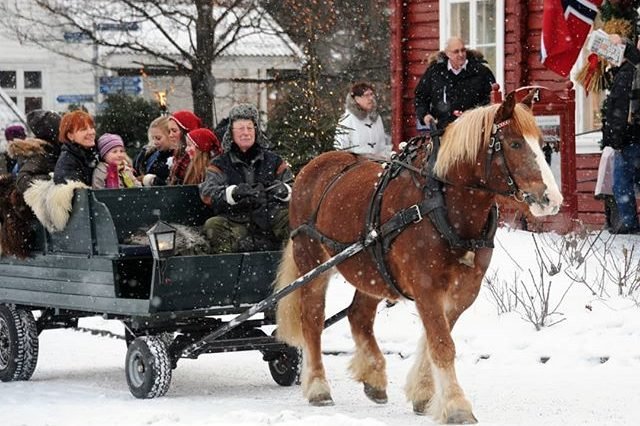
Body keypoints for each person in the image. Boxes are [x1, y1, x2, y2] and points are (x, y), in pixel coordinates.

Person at [199, 103, 292, 253]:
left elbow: (296, 188)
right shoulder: (219, 163)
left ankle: (292, 265)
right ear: (231, 132)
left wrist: (284, 190)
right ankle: (230, 268)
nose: (246, 133)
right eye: (240, 128)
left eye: (250, 128)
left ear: (256, 131)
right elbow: (207, 193)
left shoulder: (274, 160)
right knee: (213, 226)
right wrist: (233, 193)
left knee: (294, 221)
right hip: (235, 220)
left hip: (271, 217)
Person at [601, 34, 640, 234]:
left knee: (622, 182)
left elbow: (621, 109)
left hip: (631, 138)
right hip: (632, 136)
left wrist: (615, 138)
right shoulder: (628, 70)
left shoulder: (627, 73)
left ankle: (628, 222)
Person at [414, 36, 496, 129]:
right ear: (447, 53)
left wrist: (471, 113)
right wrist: (424, 115)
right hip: (443, 130)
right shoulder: (434, 72)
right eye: (456, 51)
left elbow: (490, 100)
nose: (461, 54)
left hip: (474, 130)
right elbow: (420, 97)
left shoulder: (481, 71)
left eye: (463, 50)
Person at [8, 110, 62, 193]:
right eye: (61, 127)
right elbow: (22, 180)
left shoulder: (55, 148)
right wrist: (51, 179)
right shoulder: (40, 153)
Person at [334, 82, 389, 156]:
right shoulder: (347, 119)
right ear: (357, 99)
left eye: (371, 94)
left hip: (377, 164)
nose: (371, 98)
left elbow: (382, 147)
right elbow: (341, 149)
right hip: (356, 165)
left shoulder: (376, 118)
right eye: (366, 95)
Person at [53, 110, 97, 186]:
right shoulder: (67, 162)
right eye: (84, 129)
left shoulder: (97, 154)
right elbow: (77, 195)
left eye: (91, 127)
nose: (91, 132)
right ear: (70, 136)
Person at [134, 116, 174, 186]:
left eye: (158, 138)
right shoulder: (147, 155)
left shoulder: (175, 159)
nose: (155, 142)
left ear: (170, 135)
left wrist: (150, 180)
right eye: (153, 138)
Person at [167, 110, 202, 185]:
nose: (170, 135)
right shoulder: (177, 156)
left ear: (186, 132)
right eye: (169, 131)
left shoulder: (195, 160)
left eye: (174, 131)